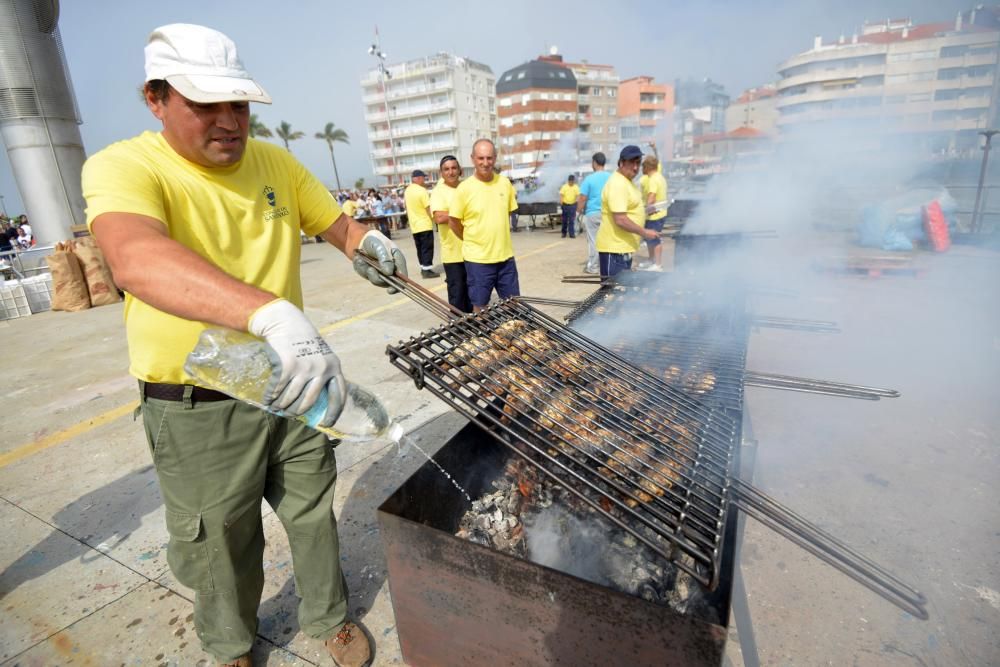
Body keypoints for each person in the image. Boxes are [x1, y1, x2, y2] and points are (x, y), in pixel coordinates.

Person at [81, 24, 407, 667]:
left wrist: (366, 245)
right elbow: (135, 259)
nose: (230, 121)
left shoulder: (276, 165)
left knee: (313, 510)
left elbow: (336, 224)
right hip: (197, 401)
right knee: (218, 539)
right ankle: (230, 643)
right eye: (207, 105)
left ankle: (330, 617)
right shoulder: (126, 166)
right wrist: (268, 312)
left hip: (294, 382)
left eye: (239, 105)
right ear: (156, 97)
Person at [449, 139, 519, 311]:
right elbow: (453, 222)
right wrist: (472, 240)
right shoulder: (464, 188)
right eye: (481, 158)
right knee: (480, 308)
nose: (485, 163)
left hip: (505, 259)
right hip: (478, 261)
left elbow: (508, 213)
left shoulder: (505, 184)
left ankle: (515, 335)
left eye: (489, 158)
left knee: (514, 305)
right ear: (472, 158)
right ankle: (483, 338)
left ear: (495, 158)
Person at [595, 145, 658, 279]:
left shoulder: (627, 182)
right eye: (631, 163)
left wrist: (645, 211)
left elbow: (628, 208)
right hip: (614, 250)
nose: (635, 168)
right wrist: (645, 232)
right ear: (622, 162)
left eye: (638, 163)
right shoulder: (618, 183)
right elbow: (620, 220)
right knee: (611, 294)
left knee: (620, 292)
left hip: (623, 249)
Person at [430, 155, 472, 313]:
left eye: (454, 168)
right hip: (453, 254)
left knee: (473, 293)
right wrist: (460, 213)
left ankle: (474, 328)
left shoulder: (467, 188)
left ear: (460, 170)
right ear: (441, 173)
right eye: (446, 169)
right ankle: (459, 331)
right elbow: (439, 217)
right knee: (457, 295)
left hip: (473, 250)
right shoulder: (438, 192)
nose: (451, 172)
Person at [576, 152, 610, 274]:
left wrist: (578, 212)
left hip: (592, 214)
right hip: (608, 213)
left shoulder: (589, 179)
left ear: (594, 163)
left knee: (593, 240)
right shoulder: (611, 177)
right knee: (607, 239)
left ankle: (594, 266)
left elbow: (582, 198)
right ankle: (607, 265)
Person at [404, 169, 438, 278]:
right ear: (418, 178)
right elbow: (428, 208)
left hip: (414, 225)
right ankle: (427, 270)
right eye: (423, 178)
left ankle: (423, 268)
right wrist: (435, 220)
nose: (424, 180)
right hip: (424, 223)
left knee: (419, 248)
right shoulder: (422, 191)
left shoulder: (407, 191)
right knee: (427, 248)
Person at [639, 155, 668, 271]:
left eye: (643, 166)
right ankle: (651, 260)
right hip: (659, 214)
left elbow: (652, 196)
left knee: (654, 239)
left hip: (655, 215)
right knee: (650, 238)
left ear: (647, 167)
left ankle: (657, 264)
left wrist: (645, 208)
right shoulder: (660, 177)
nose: (641, 169)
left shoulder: (653, 179)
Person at [558, 174, 580, 239]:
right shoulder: (564, 187)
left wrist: (576, 202)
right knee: (564, 220)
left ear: (574, 181)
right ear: (568, 181)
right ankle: (563, 233)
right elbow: (561, 196)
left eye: (572, 181)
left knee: (571, 220)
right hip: (565, 205)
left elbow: (578, 195)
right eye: (570, 181)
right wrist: (561, 204)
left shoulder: (576, 187)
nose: (571, 182)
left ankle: (571, 234)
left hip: (572, 205)